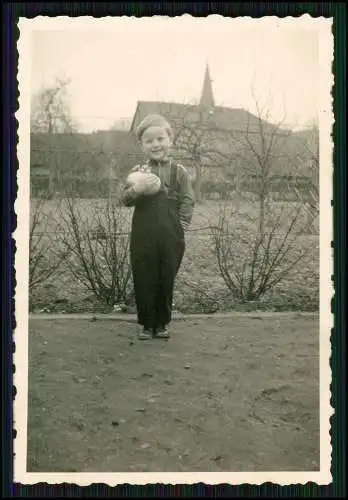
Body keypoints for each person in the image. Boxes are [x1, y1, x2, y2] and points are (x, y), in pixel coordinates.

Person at [121, 114, 195, 340]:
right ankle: (146, 324)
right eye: (149, 141)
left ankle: (162, 323)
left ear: (170, 140)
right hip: (143, 234)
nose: (156, 145)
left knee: (166, 277)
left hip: (171, 235)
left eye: (160, 139)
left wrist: (181, 226)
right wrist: (137, 189)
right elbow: (124, 199)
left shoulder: (179, 171)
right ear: (142, 145)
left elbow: (188, 200)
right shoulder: (138, 171)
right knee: (144, 276)